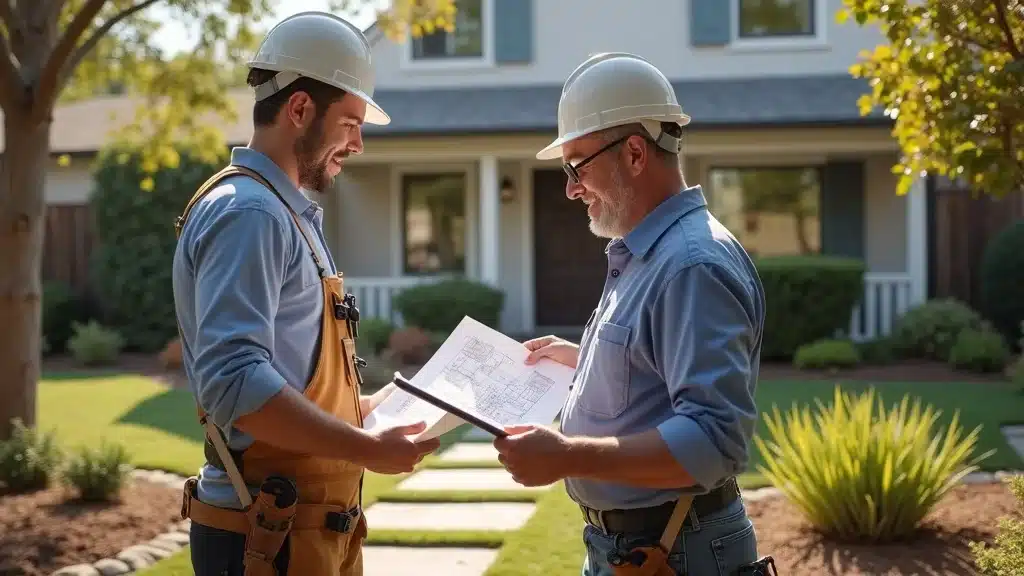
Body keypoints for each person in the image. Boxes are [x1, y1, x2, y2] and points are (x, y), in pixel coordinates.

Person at [171, 11, 440, 576]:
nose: (359, 143)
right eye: (349, 122)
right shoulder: (251, 214)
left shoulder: (282, 212)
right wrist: (369, 449)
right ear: (299, 110)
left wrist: (371, 408)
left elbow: (290, 382)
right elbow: (236, 382)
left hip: (303, 531)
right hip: (264, 538)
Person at [493, 52, 766, 575]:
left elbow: (713, 439)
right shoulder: (650, 252)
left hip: (676, 548)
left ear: (635, 153)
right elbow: (657, 369)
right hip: (643, 545)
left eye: (578, 166)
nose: (571, 187)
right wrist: (585, 359)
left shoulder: (690, 264)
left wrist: (569, 454)